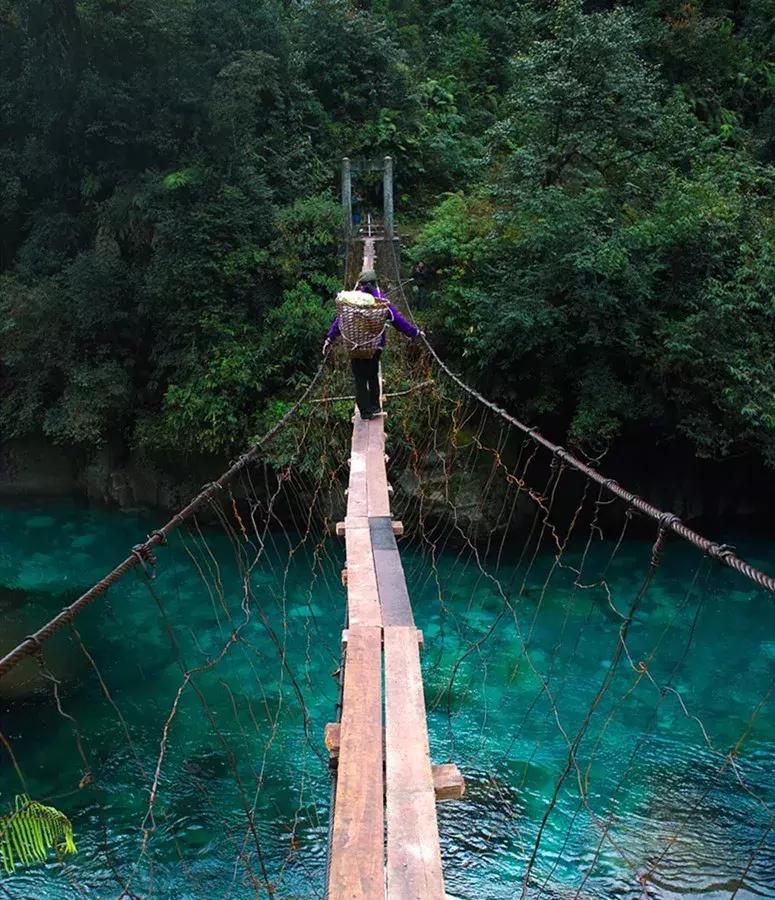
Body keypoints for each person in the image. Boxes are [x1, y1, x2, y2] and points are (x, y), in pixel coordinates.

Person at [322, 270, 421, 420]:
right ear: (375, 283)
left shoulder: (351, 303)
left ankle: (365, 412)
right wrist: (414, 333)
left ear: (360, 284)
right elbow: (398, 321)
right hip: (375, 346)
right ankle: (375, 406)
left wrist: (329, 338)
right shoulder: (381, 301)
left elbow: (340, 321)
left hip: (354, 345)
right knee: (372, 374)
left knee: (360, 378)